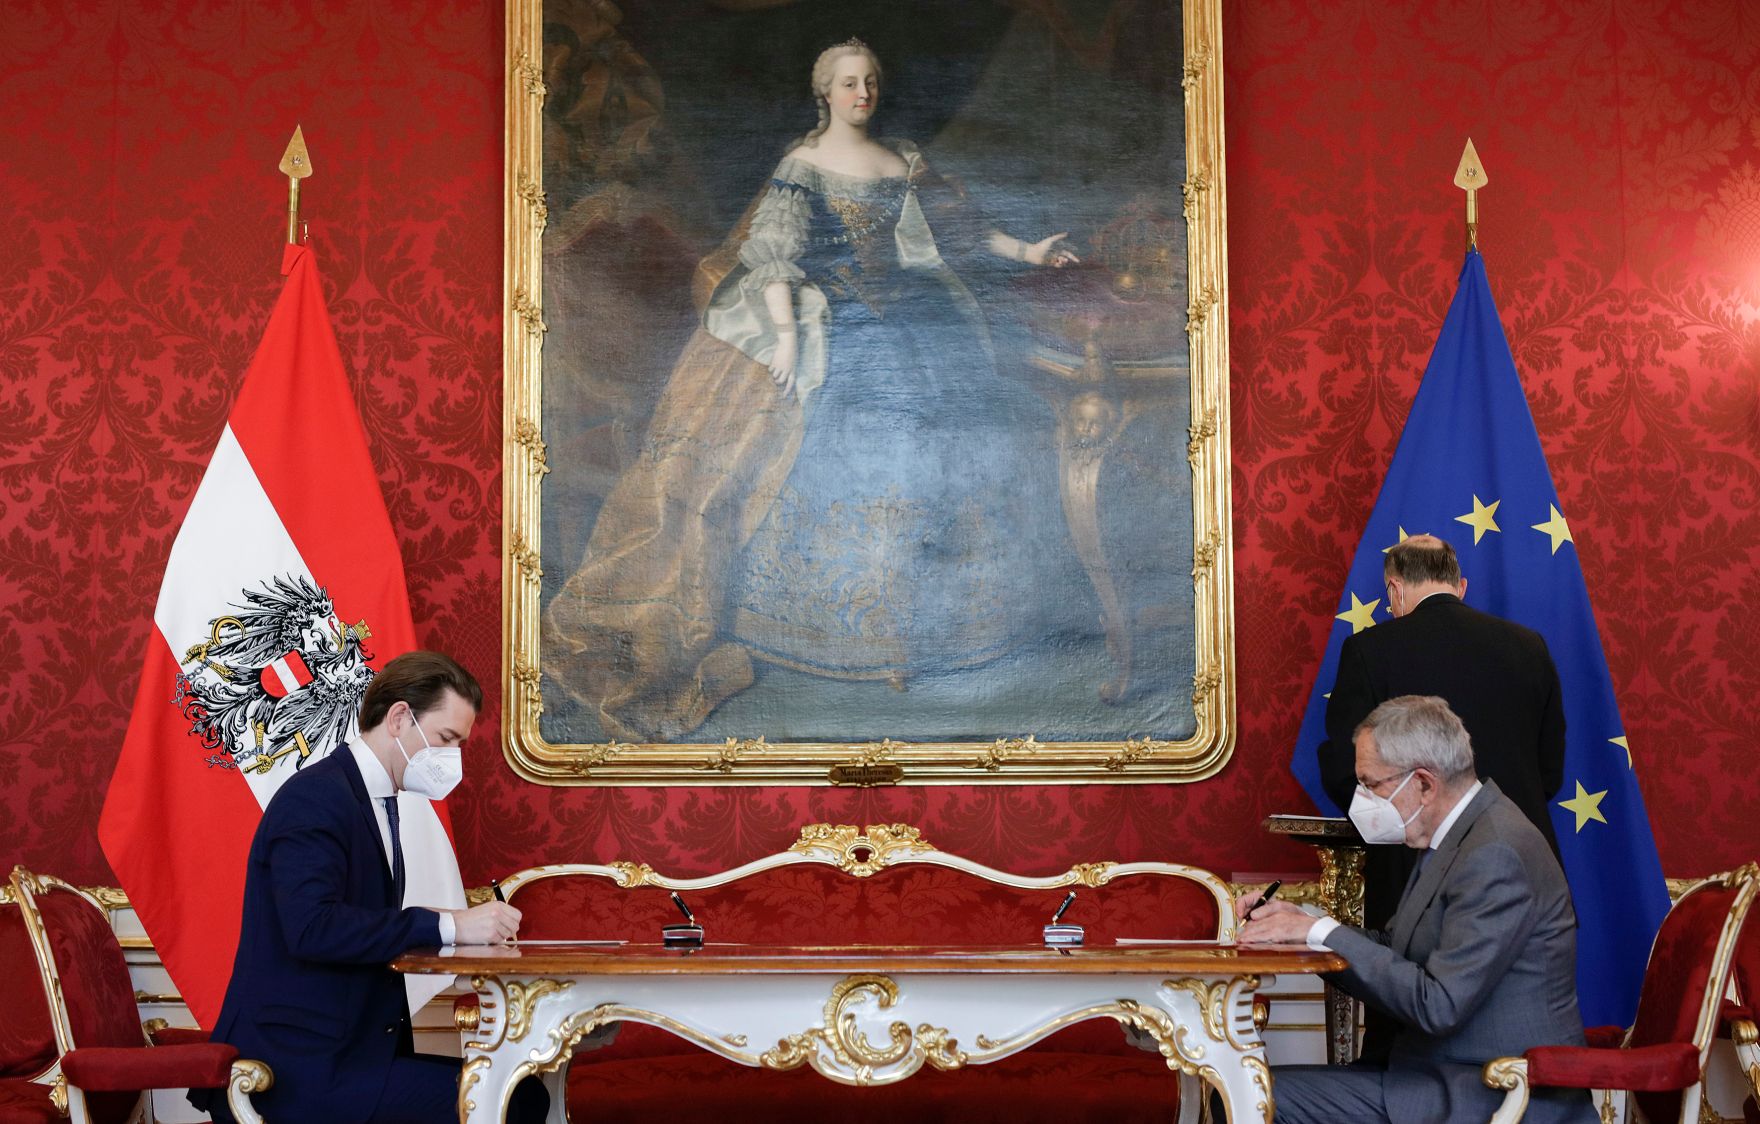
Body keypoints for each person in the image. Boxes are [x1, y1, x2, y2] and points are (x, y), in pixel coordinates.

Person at [546, 37, 1077, 742]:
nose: (863, 94)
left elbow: (964, 231)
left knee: (954, 437)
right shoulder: (804, 164)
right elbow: (769, 257)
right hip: (823, 323)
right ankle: (815, 630)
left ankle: (939, 627)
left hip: (910, 327)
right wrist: (788, 344)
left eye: (871, 82)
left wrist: (1031, 252)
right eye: (849, 83)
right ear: (824, 92)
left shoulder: (902, 160)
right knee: (839, 442)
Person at [194, 651, 546, 1123]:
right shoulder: (315, 797)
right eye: (445, 738)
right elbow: (313, 928)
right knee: (514, 1099)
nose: (451, 757)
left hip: (352, 1052)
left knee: (519, 1088)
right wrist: (450, 924)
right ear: (400, 717)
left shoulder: (371, 796)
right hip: (299, 1066)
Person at [1241, 695, 1594, 1124]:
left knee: (1244, 1093)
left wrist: (1322, 934)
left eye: (1371, 784)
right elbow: (1397, 947)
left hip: (1487, 1093)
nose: (1361, 799)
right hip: (1437, 1075)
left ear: (1425, 784)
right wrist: (1303, 924)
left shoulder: (1495, 852)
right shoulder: (1457, 835)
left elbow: (1438, 1005)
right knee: (1241, 1083)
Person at [1317, 533, 1566, 935]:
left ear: (1395, 589)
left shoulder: (1368, 650)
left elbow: (1348, 770)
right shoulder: (1530, 647)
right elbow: (1549, 773)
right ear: (1460, 586)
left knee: (1412, 993)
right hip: (1521, 866)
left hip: (1413, 879)